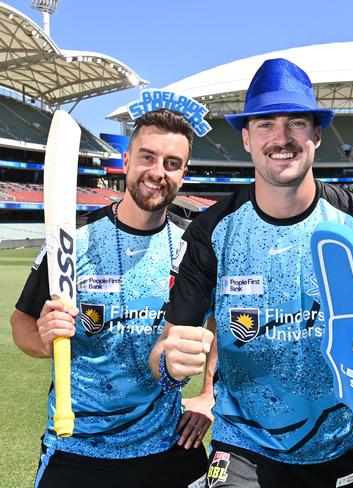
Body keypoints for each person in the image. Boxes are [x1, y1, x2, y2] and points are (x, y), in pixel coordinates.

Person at [148, 58, 353, 488]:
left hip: (338, 448)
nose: (282, 138)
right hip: (242, 447)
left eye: (297, 124)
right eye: (266, 124)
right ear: (247, 139)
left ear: (317, 135)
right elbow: (166, 352)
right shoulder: (211, 230)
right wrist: (171, 364)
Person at [11, 109, 213, 488]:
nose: (158, 171)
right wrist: (41, 337)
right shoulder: (73, 241)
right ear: (126, 161)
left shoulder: (194, 248)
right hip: (79, 449)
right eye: (147, 157)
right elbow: (21, 321)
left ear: (183, 174)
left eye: (173, 163)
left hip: (168, 446)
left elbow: (222, 317)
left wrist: (208, 395)